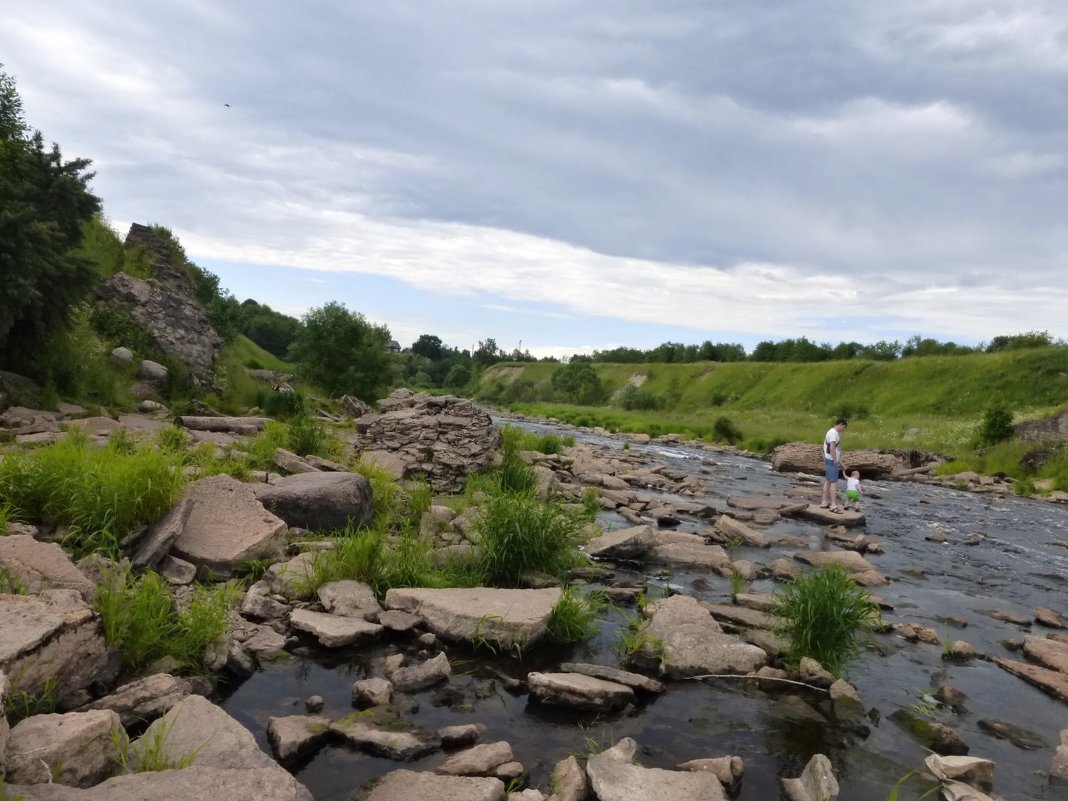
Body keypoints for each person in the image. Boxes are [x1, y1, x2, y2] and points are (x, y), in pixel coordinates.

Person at [820, 418, 848, 512]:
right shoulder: (833, 433)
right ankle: (833, 505)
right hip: (831, 461)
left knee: (828, 481)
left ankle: (824, 502)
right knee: (833, 483)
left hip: (830, 460)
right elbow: (832, 449)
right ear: (840, 424)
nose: (843, 429)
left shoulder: (832, 432)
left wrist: (841, 464)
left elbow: (835, 450)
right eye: (843, 427)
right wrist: (835, 461)